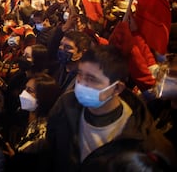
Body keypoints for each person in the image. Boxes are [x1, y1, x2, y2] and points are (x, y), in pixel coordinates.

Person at [46, 44, 177, 172]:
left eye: (92, 79)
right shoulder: (65, 104)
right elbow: (50, 151)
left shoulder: (147, 144)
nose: (81, 83)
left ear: (117, 88)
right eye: (80, 74)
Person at [4, 72, 61, 171]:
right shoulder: (21, 113)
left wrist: (14, 158)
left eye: (30, 91)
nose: (24, 93)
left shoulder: (43, 131)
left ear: (43, 97)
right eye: (25, 88)